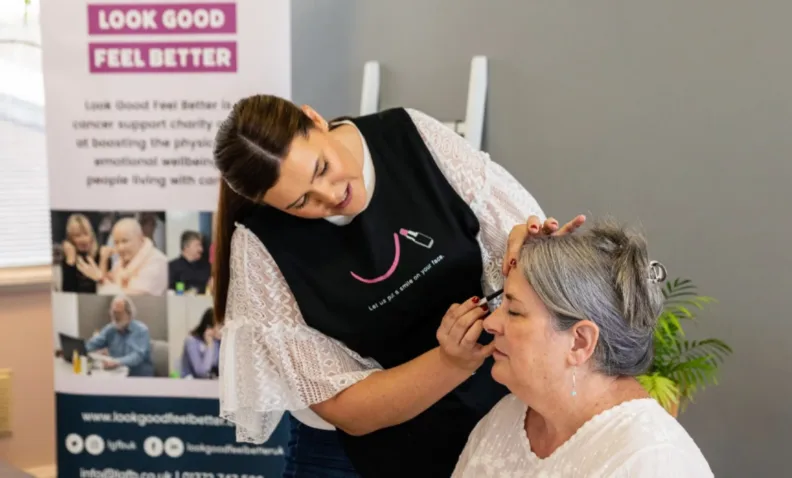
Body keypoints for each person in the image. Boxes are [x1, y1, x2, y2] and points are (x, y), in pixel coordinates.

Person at [212, 94, 584, 477]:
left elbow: (514, 238)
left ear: (315, 119)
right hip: (379, 449)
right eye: (301, 202)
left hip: (500, 410)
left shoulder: (410, 136)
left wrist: (531, 253)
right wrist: (450, 361)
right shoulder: (260, 247)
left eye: (322, 168)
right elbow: (347, 409)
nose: (332, 196)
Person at [452, 220, 714, 477]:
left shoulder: (653, 461)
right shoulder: (507, 418)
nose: (490, 322)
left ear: (580, 341)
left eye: (515, 312)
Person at [77, 217, 169, 296]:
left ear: (140, 238)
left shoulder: (157, 262)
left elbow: (130, 299)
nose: (120, 248)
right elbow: (104, 291)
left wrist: (101, 278)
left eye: (125, 241)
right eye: (116, 242)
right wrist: (103, 260)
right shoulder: (120, 263)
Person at [85, 295, 155, 377]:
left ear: (129, 314)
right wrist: (78, 349)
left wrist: (117, 362)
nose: (115, 317)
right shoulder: (110, 329)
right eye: (113, 312)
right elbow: (93, 344)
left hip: (138, 378)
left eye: (119, 313)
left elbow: (137, 356)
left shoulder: (141, 330)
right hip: (118, 375)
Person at [60, 213, 111, 294]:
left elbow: (106, 290)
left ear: (91, 235)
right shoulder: (68, 260)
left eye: (86, 234)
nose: (83, 239)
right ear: (71, 239)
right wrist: (70, 262)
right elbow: (67, 294)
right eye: (77, 235)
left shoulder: (101, 255)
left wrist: (103, 260)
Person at [180, 308, 221, 378]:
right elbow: (202, 372)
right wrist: (210, 346)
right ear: (209, 327)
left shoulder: (217, 342)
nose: (223, 329)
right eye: (220, 326)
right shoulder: (191, 341)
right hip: (191, 384)